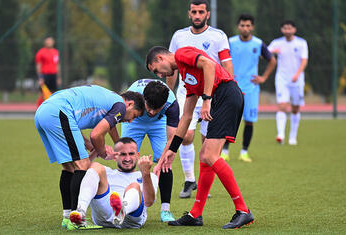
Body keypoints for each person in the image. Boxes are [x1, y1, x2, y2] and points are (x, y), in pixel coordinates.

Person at [146, 46, 254, 229]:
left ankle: (243, 211)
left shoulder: (181, 54)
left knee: (209, 155)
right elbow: (186, 117)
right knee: (205, 157)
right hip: (221, 99)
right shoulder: (188, 79)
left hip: (226, 95)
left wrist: (206, 99)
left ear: (159, 58)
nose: (161, 76)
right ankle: (196, 214)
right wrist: (172, 150)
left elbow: (209, 65)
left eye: (156, 70)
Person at [34, 85, 145, 230]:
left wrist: (104, 145)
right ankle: (76, 220)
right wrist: (103, 152)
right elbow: (96, 134)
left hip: (44, 111)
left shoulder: (110, 101)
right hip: (59, 112)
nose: (130, 121)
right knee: (83, 164)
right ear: (129, 104)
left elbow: (107, 127)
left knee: (69, 167)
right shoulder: (120, 106)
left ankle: (68, 217)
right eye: (134, 115)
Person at [166, 0, 234, 198]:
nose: (197, 15)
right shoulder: (179, 36)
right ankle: (189, 180)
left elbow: (226, 64)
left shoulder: (218, 36)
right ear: (189, 13)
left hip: (210, 95)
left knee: (207, 142)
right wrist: (169, 93)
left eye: (201, 12)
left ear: (207, 14)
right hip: (186, 93)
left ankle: (205, 185)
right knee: (185, 135)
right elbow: (171, 67)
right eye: (194, 12)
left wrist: (230, 89)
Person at [121, 79, 179, 222]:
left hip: (159, 123)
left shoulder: (171, 105)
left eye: (156, 108)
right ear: (143, 99)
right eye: (149, 107)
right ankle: (124, 205)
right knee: (126, 159)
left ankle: (165, 210)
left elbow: (172, 139)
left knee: (165, 161)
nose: (152, 112)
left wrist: (160, 162)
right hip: (134, 120)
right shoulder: (132, 97)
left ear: (164, 104)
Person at [69, 137, 159, 229]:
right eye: (123, 154)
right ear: (115, 156)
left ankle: (122, 210)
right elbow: (80, 168)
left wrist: (145, 172)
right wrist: (97, 152)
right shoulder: (107, 173)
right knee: (95, 166)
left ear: (137, 155)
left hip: (131, 219)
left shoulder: (149, 176)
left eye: (131, 154)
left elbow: (149, 202)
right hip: (103, 217)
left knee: (134, 186)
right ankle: (80, 211)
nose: (127, 158)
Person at [223, 14, 277, 162]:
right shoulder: (231, 42)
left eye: (248, 25)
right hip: (233, 87)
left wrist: (263, 77)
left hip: (251, 88)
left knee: (249, 120)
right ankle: (225, 151)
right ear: (238, 26)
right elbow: (222, 60)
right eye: (242, 25)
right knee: (230, 119)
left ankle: (244, 152)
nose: (245, 28)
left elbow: (272, 60)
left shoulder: (258, 44)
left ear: (252, 27)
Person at [268, 20, 308, 145]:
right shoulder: (277, 42)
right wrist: (272, 52)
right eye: (285, 28)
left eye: (289, 28)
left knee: (295, 108)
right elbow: (266, 53)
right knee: (282, 105)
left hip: (297, 80)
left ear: (294, 30)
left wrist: (297, 74)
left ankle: (292, 137)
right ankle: (280, 135)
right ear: (282, 30)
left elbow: (304, 60)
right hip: (282, 79)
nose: (287, 31)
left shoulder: (301, 43)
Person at [35, 37, 61, 106]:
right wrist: (40, 77)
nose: (49, 43)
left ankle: (53, 109)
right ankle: (39, 109)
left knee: (54, 93)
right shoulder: (41, 52)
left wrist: (58, 77)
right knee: (42, 93)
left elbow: (57, 65)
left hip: (54, 75)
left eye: (51, 41)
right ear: (45, 42)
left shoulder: (56, 52)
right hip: (45, 75)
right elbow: (38, 65)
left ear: (53, 42)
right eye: (48, 41)